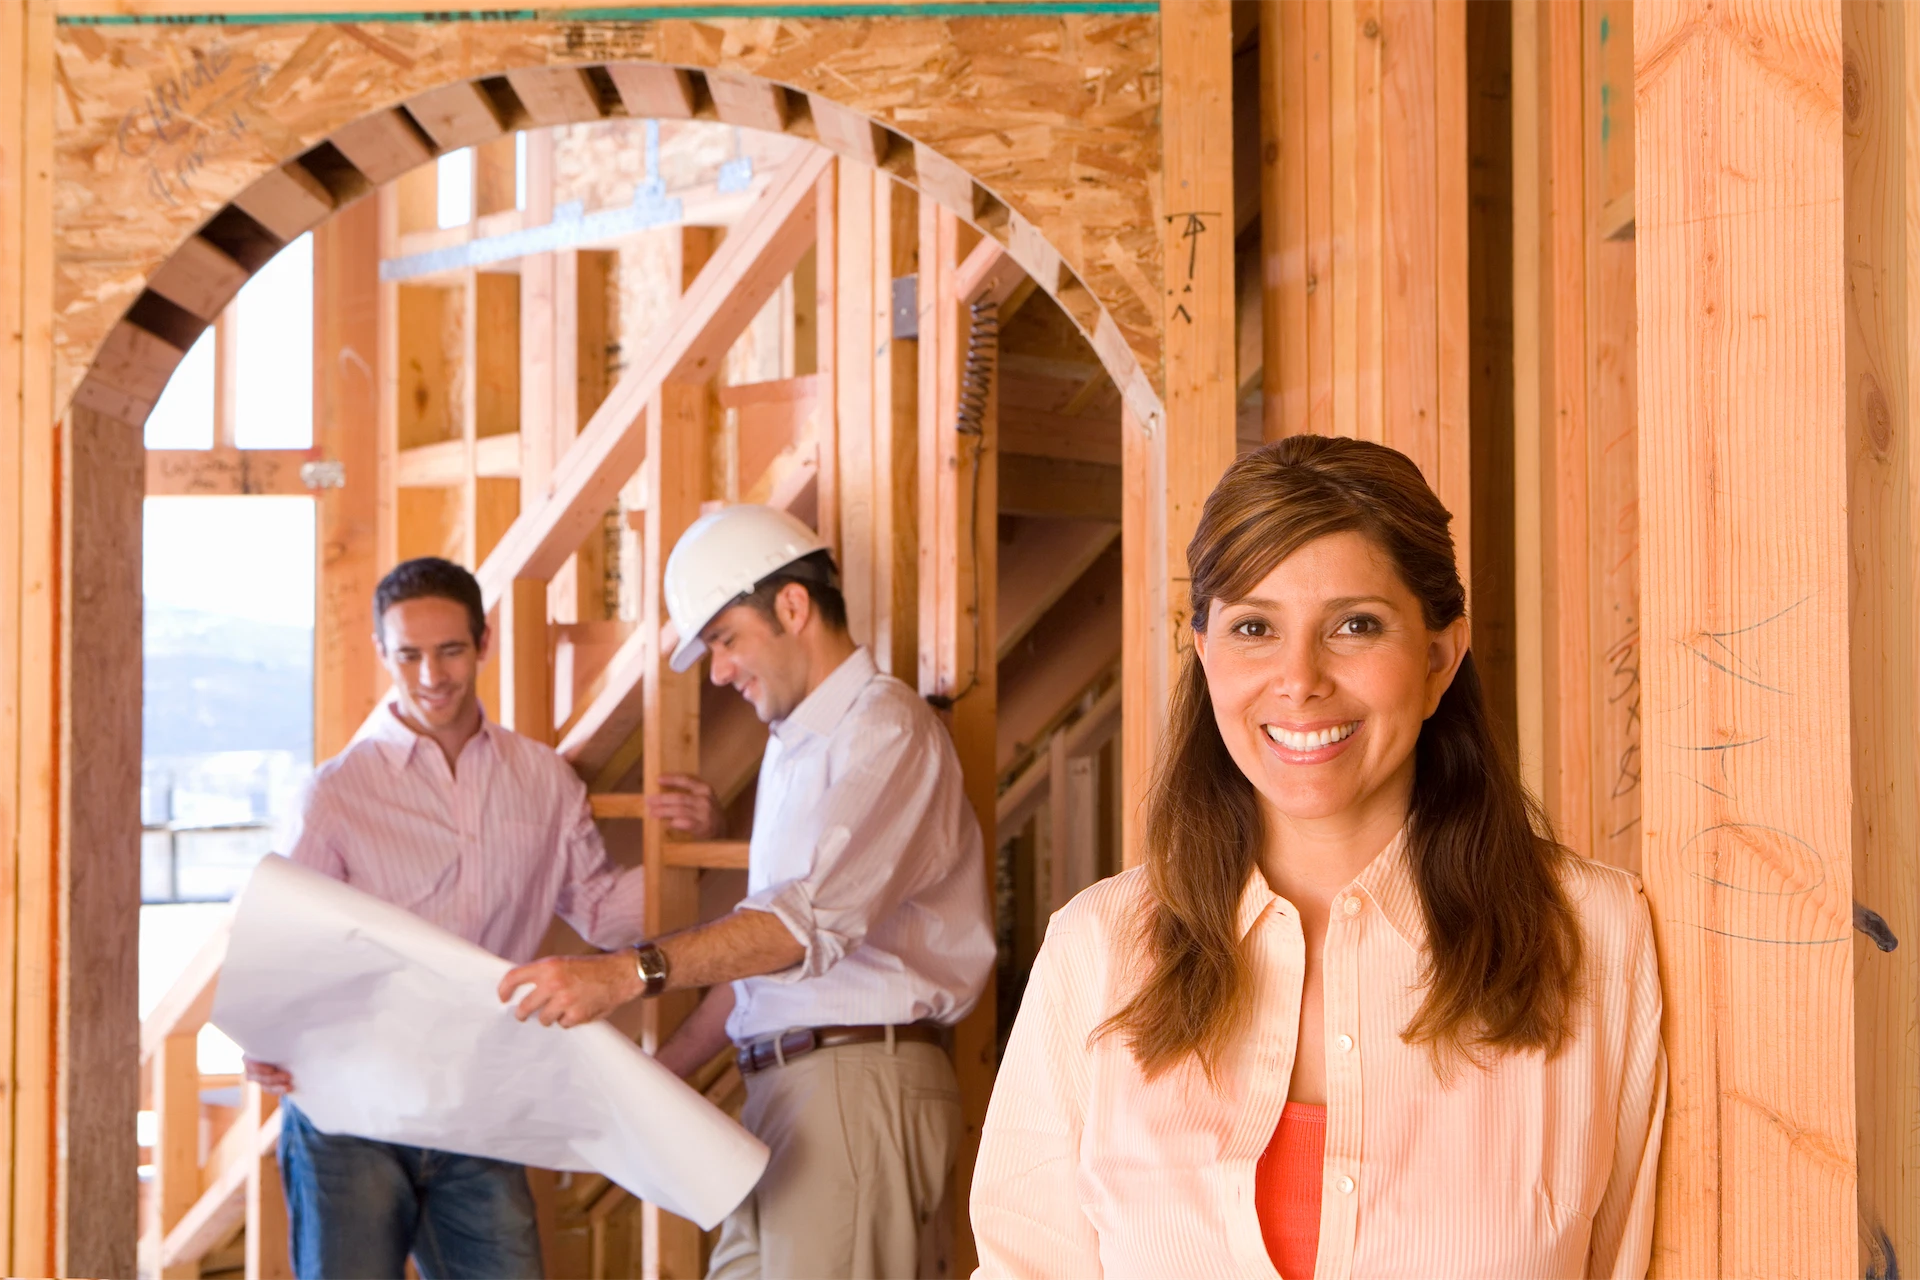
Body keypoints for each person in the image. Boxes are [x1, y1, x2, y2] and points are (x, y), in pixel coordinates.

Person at [970, 436, 1666, 1279]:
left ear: (1440, 659)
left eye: (1355, 625)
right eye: (1255, 627)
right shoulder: (1098, 950)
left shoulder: (1595, 936)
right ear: (1205, 653)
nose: (1299, 680)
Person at [498, 503, 996, 1280]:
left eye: (725, 639)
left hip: (854, 1089)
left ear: (792, 607)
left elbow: (800, 929)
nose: (719, 670)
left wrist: (621, 973)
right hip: (788, 1091)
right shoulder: (794, 749)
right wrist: (664, 1075)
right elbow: (764, 960)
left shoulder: (884, 730)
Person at [242, 556, 648, 1280]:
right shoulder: (336, 793)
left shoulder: (544, 781)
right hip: (349, 1104)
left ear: (484, 643)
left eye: (450, 650)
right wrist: (263, 1033)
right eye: (410, 655)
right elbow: (284, 941)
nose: (431, 675)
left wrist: (684, 850)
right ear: (383, 655)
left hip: (477, 1100)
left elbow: (604, 912)